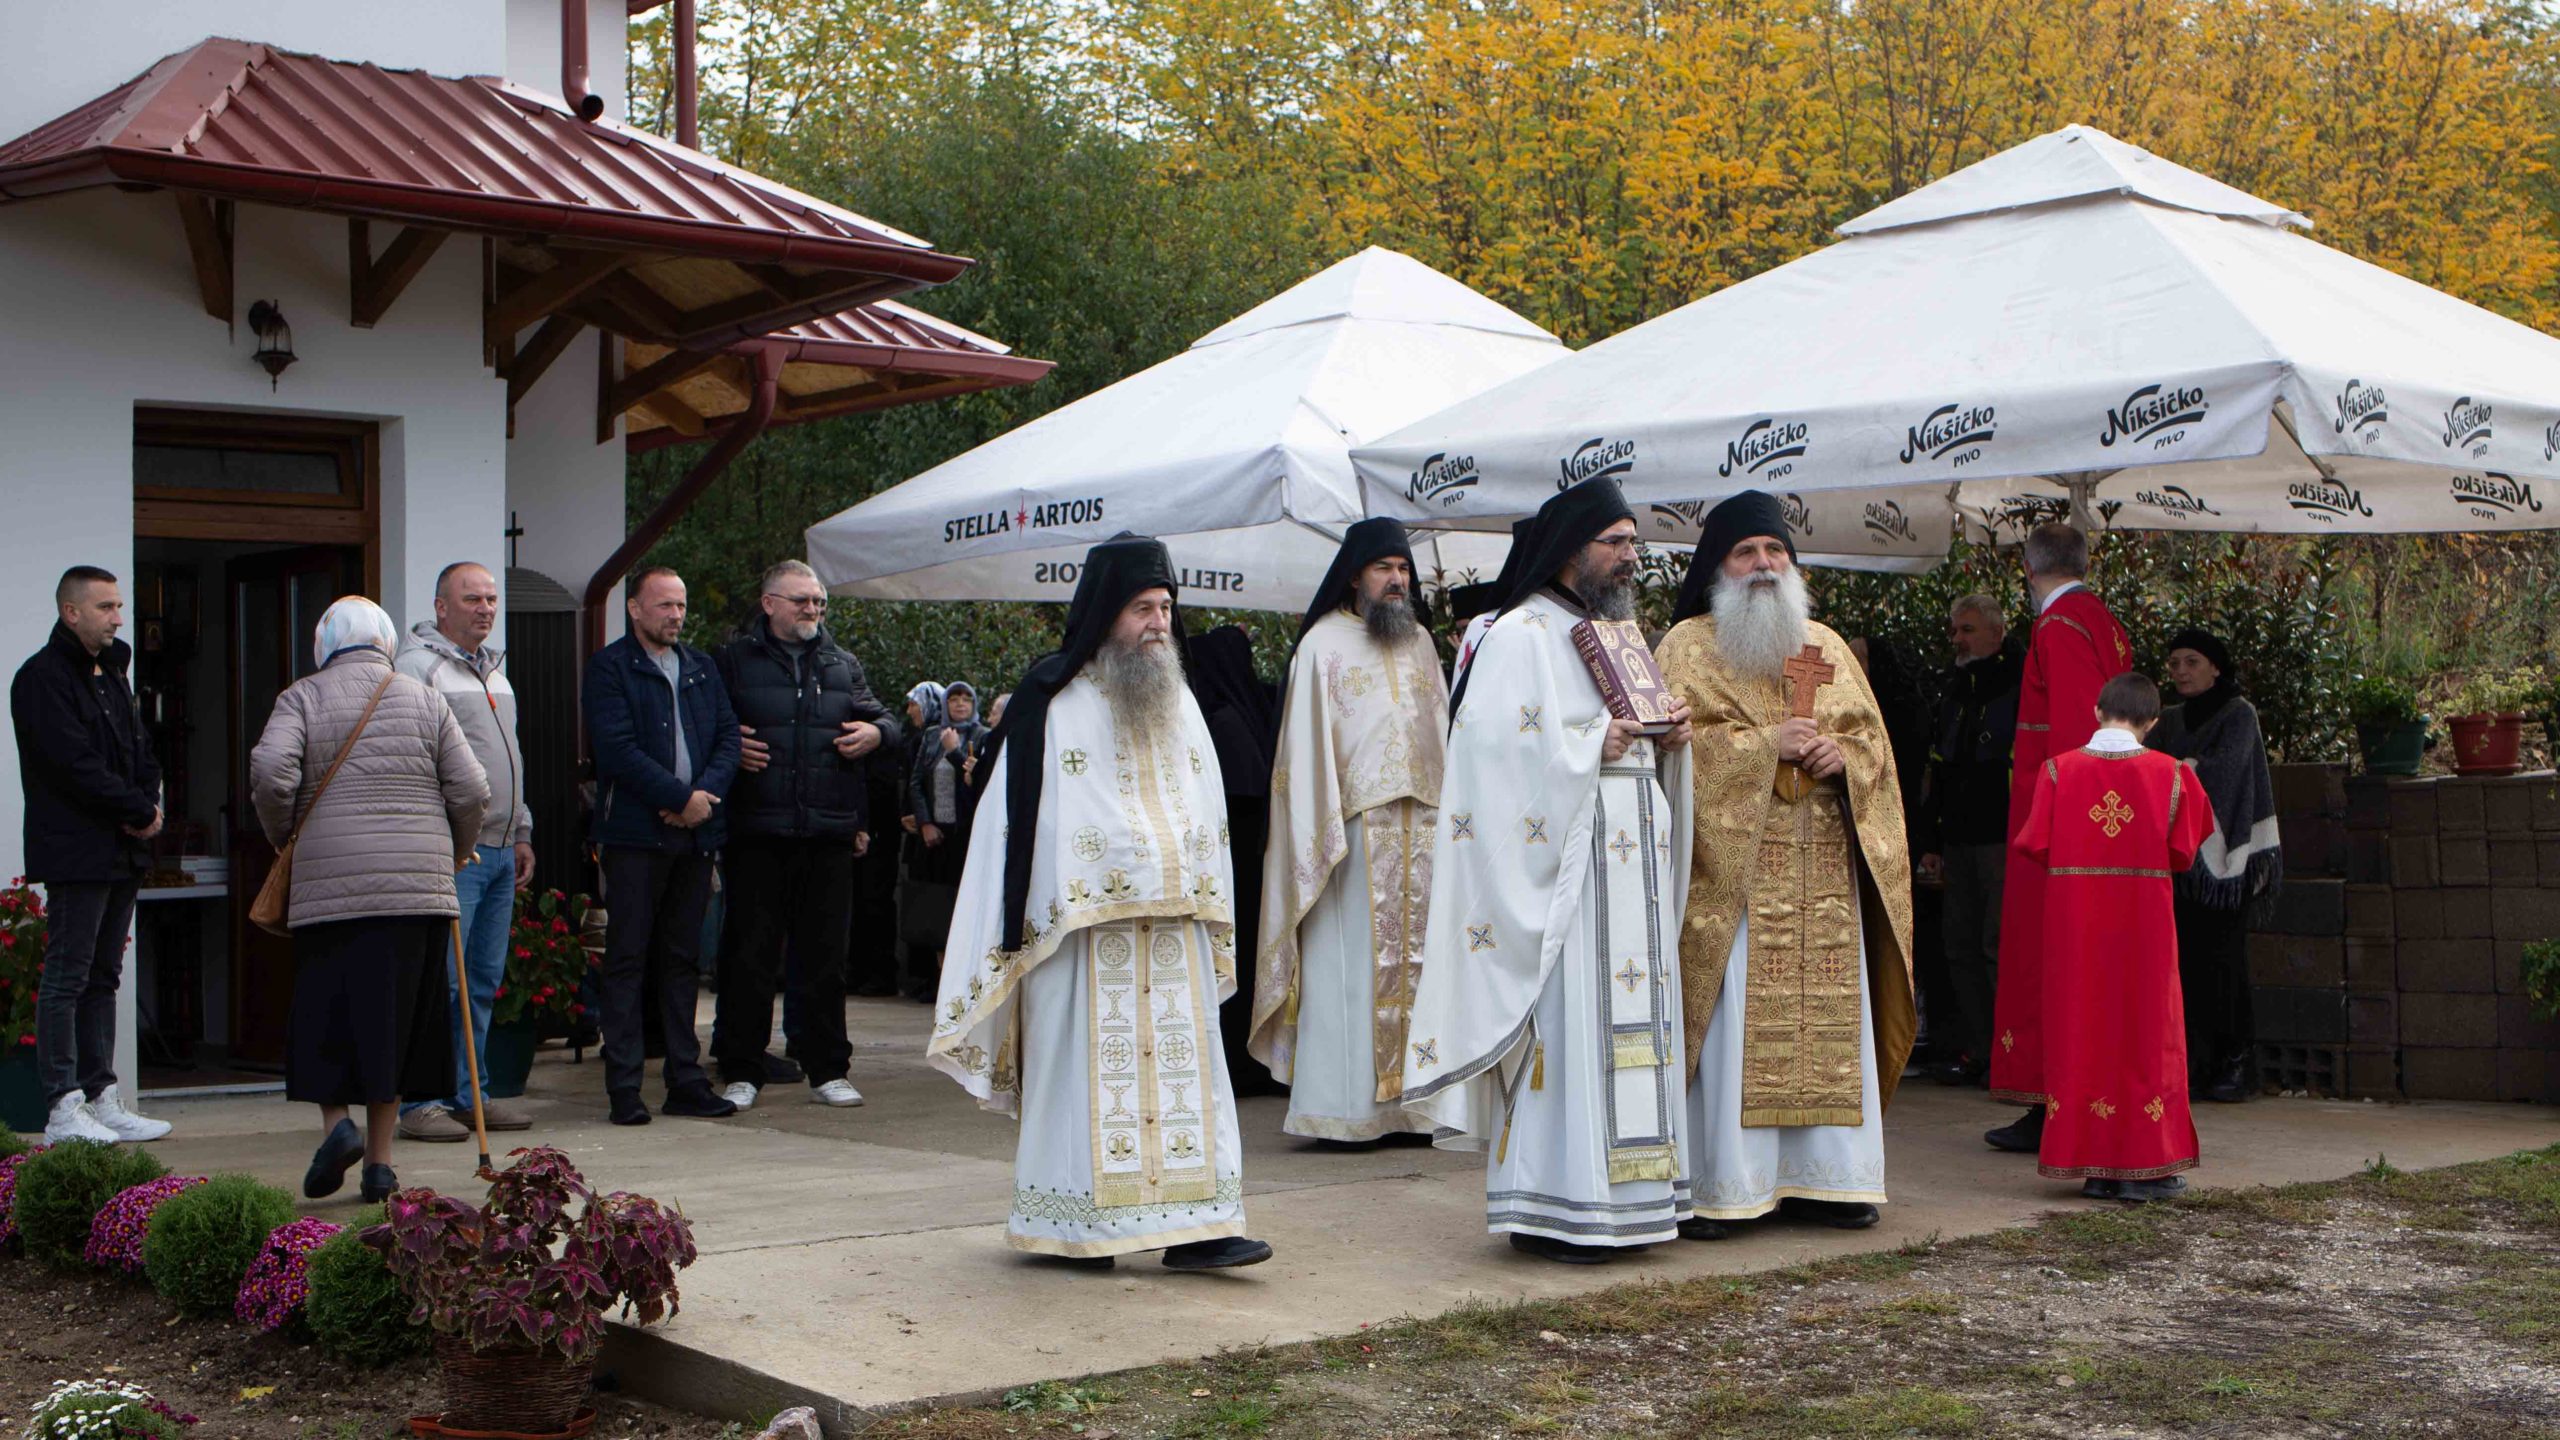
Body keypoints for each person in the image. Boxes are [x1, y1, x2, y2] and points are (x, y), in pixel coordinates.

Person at [926, 534, 1271, 1272]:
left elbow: (1204, 806)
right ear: (1105, 612)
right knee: (1089, 1079)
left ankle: (1200, 1228)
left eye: (1166, 607)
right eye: (1142, 608)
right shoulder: (1050, 701)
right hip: (1079, 932)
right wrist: (1107, 867)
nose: (1158, 623)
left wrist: (1192, 879)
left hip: (1173, 925)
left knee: (1187, 1078)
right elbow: (1020, 824)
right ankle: (1079, 1227)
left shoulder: (1178, 699)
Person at [1403, 480, 1699, 1264]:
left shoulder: (1619, 634)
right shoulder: (1519, 633)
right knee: (1572, 1031)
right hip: (1565, 876)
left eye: (1634, 541)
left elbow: (1633, 738)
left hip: (1629, 863)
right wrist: (1591, 745)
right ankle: (1557, 1206)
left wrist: (1668, 739)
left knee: (1633, 1021)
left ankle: (1633, 1202)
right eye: (1616, 542)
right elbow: (1488, 757)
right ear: (1572, 548)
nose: (1631, 556)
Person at [1654, 490, 1917, 1238]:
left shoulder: (1826, 646)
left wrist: (1845, 759)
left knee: (1831, 1023)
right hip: (1734, 880)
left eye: (1776, 551)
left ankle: (1830, 1181)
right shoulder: (1686, 647)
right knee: (1737, 1028)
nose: (1765, 564)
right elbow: (1669, 752)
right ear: (1718, 567)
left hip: (1826, 876)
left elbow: (1876, 752)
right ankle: (1726, 1187)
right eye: (1747, 552)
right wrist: (1764, 747)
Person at [250, 597, 487, 1202]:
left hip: (332, 889)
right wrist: (454, 851)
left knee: (327, 1015)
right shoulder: (425, 699)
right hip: (418, 892)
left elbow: (271, 771)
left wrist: (288, 836)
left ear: (324, 644)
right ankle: (381, 1166)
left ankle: (338, 1128)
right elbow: (471, 787)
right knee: (397, 1024)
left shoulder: (302, 697)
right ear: (384, 642)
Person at [1253, 519, 1447, 1141]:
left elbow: (1443, 732)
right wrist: (1322, 833)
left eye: (1404, 569)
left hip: (1426, 829)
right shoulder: (1321, 646)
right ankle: (1345, 1112)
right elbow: (1303, 755)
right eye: (1384, 568)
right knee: (1351, 970)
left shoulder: (1421, 642)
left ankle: (1418, 1107)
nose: (1397, 580)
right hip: (1352, 836)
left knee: (1423, 968)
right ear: (1355, 576)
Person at [2013, 673, 2213, 1201]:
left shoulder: (2057, 771)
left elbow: (2034, 844)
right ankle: (2144, 1168)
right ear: (2153, 721)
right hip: (2144, 935)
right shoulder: (2174, 775)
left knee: (2083, 1033)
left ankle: (2095, 1168)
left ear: (2098, 711)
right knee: (2146, 1035)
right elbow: (2185, 850)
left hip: (2075, 934)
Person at [711, 560, 899, 1112]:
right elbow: (706, 727)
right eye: (801, 601)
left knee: (824, 959)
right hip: (756, 831)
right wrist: (729, 747)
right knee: (749, 956)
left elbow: (887, 722)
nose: (812, 610)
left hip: (826, 832)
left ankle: (828, 1068)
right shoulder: (733, 661)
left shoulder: (842, 663)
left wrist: (876, 733)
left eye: (818, 601)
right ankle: (742, 1069)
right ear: (769, 603)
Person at [1986, 523, 2131, 1155]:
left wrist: (2069, 820)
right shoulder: (2101, 619)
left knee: (2048, 958)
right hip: (2092, 817)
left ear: (2028, 567)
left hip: (2063, 822)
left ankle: (2054, 1103)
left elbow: (2078, 728)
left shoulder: (2059, 625)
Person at [13, 565, 171, 1145]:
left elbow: (138, 748)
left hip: (122, 849)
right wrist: (135, 809)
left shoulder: (113, 672)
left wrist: (148, 802)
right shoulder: (42, 678)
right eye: (106, 607)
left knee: (104, 974)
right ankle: (62, 1106)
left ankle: (101, 1095)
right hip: (76, 849)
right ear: (71, 611)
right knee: (68, 975)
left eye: (119, 606)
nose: (119, 618)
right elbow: (72, 764)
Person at [584, 566, 742, 1126]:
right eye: (664, 605)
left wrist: (702, 799)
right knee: (628, 958)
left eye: (681, 606)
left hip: (695, 835)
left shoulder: (700, 667)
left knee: (682, 960)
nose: (676, 616)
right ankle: (625, 1087)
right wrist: (679, 797)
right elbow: (616, 750)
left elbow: (728, 738)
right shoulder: (610, 668)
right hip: (633, 836)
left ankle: (685, 1080)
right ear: (634, 609)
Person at [392, 562, 537, 1145]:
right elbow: (415, 764)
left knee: (480, 981)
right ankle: (419, 1100)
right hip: (456, 852)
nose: (485, 609)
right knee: (441, 982)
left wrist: (521, 829)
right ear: (441, 606)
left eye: (491, 599)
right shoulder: (417, 669)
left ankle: (469, 1094)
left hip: (499, 848)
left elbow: (510, 757)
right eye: (472, 598)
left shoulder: (494, 670)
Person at [2150, 627, 2282, 1104]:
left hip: (2229, 861)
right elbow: (2149, 765)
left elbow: (2226, 771)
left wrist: (2177, 767)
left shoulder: (2238, 713)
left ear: (2215, 667)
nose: (2181, 671)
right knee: (2185, 964)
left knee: (2224, 962)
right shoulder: (2169, 718)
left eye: (2192, 662)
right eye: (2174, 664)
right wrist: (2181, 766)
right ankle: (2197, 1062)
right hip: (2181, 861)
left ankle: (2236, 1061)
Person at [1916, 595, 2024, 1087]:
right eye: (1954, 630)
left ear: (1996, 634)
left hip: (2004, 836)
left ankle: (2012, 1053)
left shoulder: (2019, 683)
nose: (1956, 639)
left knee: (1996, 946)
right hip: (1958, 838)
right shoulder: (1954, 687)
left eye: (1967, 629)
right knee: (1959, 946)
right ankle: (1978, 1051)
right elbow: (1939, 768)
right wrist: (1932, 840)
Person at [1186, 629, 1283, 1097]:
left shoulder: (1222, 723)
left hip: (1237, 872)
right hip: (1256, 870)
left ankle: (1239, 1064)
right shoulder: (1250, 715)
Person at [894, 681, 948, 1003]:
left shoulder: (937, 738)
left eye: (914, 703)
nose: (910, 710)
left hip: (938, 834)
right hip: (919, 832)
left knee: (936, 902)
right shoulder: (918, 738)